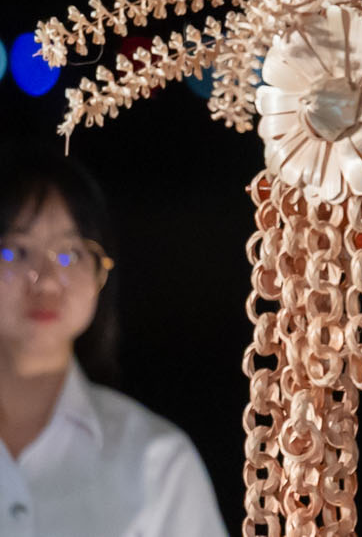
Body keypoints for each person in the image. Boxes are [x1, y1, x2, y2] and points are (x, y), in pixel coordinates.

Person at [0, 148, 227, 537]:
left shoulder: (156, 460)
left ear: (100, 276)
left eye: (71, 255)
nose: (47, 280)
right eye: (18, 251)